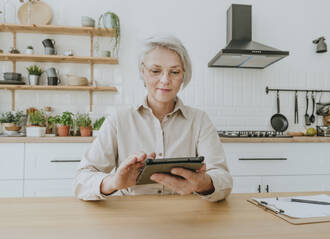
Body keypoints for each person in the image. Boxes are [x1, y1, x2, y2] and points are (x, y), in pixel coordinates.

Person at [73, 35, 233, 202]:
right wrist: (113, 182)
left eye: (175, 72)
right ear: (143, 72)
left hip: (186, 219)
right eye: (155, 71)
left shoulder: (199, 120)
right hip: (132, 219)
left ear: (183, 75)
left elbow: (224, 179)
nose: (165, 80)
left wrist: (203, 184)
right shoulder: (118, 121)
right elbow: (81, 180)